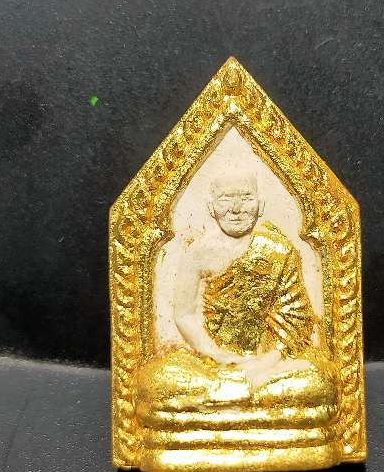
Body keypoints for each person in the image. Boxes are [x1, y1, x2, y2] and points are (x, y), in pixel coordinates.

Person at [134, 175, 336, 413]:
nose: (237, 209)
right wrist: (215, 354)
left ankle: (222, 400)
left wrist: (266, 362)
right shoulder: (199, 252)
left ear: (260, 205)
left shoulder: (280, 250)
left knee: (322, 381)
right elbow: (184, 315)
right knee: (154, 380)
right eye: (226, 198)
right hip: (210, 363)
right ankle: (246, 398)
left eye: (246, 198)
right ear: (211, 207)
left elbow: (296, 318)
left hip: (272, 362)